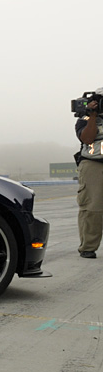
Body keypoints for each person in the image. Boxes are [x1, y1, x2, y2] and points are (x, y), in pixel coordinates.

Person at [76, 94, 103, 258]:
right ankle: (88, 247)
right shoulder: (85, 117)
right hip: (93, 163)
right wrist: (92, 115)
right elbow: (87, 138)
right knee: (92, 208)